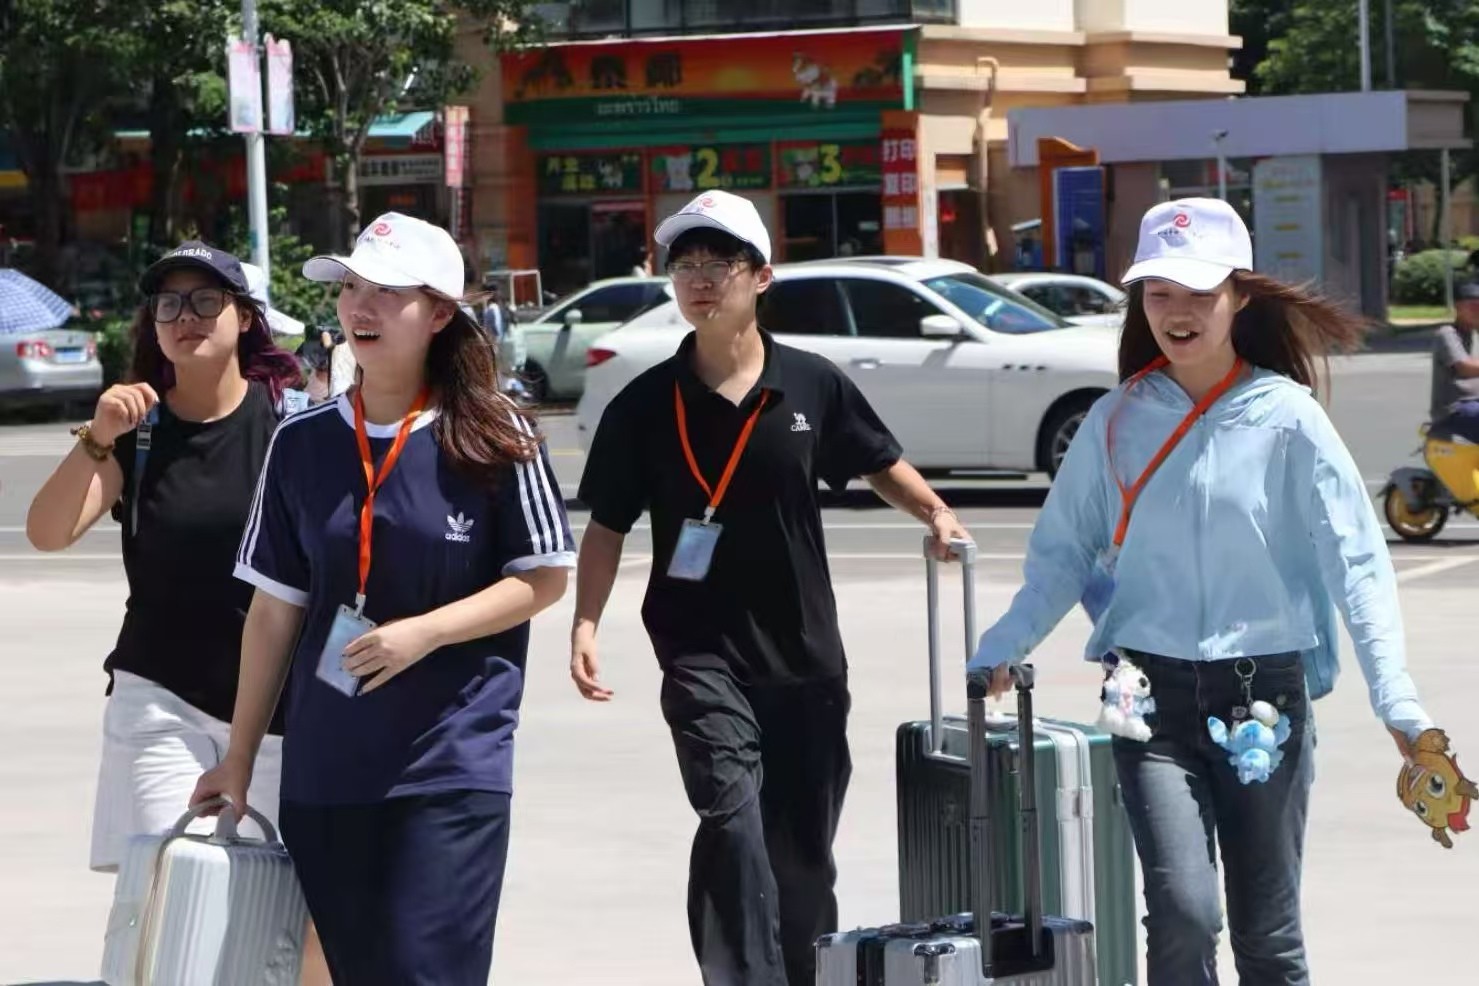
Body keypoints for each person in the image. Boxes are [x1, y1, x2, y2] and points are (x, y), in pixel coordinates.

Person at [967, 198, 1439, 986]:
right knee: (1182, 914)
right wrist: (999, 648)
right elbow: (1060, 555)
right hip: (1145, 700)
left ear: (1239, 296)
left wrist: (1397, 700)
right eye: (1158, 294)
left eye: (1198, 293)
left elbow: (1355, 564)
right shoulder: (1113, 420)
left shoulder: (1287, 419)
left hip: (1264, 699)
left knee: (1267, 936)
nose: (1177, 313)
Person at [571, 190, 972, 986]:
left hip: (805, 655)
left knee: (800, 858)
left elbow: (873, 459)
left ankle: (802, 972)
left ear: (761, 277)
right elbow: (607, 526)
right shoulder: (644, 405)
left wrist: (934, 511)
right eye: (684, 265)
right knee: (732, 823)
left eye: (718, 263)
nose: (698, 280)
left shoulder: (809, 384)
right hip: (698, 651)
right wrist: (585, 623)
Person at [191, 211, 574, 986]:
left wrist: (424, 633)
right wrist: (238, 757)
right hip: (327, 767)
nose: (360, 308)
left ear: (438, 314)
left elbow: (542, 577)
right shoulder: (300, 442)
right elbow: (273, 613)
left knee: (427, 971)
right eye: (352, 288)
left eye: (387, 292)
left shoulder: (496, 433)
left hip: (450, 762)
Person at [23, 241, 331, 983]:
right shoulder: (140, 431)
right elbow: (47, 532)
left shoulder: (291, 424)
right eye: (169, 304)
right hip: (160, 698)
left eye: (205, 300)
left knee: (285, 915)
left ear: (244, 318)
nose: (185, 316)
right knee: (173, 893)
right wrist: (97, 438)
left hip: (281, 706)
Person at [1428, 279, 1479, 443]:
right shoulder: (1447, 334)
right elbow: (1465, 367)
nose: (1477, 310)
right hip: (1455, 410)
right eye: (1473, 306)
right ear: (1457, 307)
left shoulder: (1475, 335)